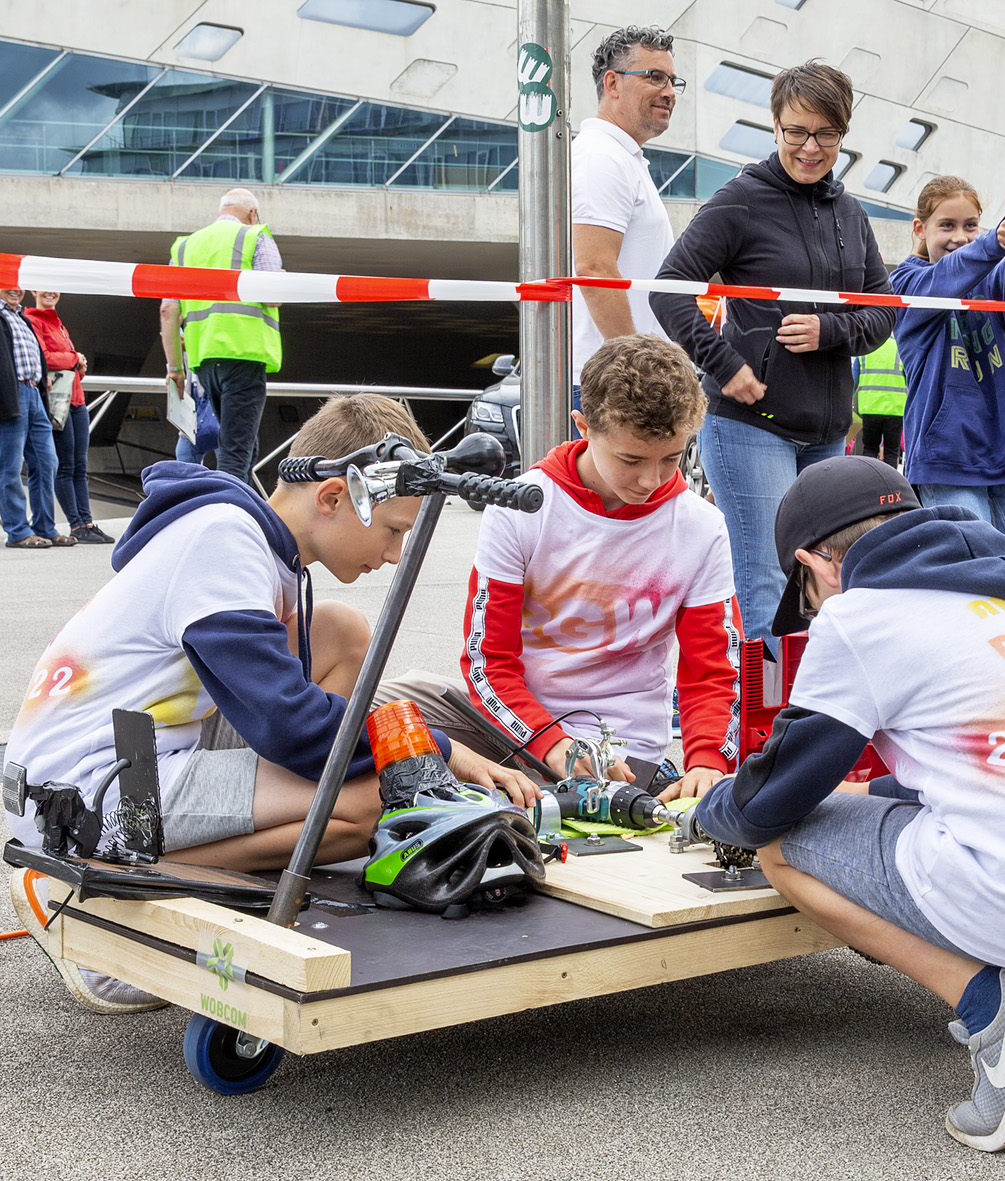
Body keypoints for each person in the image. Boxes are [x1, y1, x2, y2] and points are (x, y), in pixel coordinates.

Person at [693, 456, 1005, 1152]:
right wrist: (864, 792)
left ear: (819, 562)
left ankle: (995, 1010)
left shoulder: (859, 615)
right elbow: (989, 759)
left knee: (782, 849)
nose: (812, 607)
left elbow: (767, 805)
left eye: (805, 589)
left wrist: (707, 808)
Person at [3, 394, 531, 1013]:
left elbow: (289, 716)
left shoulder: (248, 539)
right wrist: (434, 748)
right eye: (392, 529)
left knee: (340, 632)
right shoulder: (224, 543)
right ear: (333, 497)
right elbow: (292, 729)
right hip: (93, 791)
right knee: (367, 807)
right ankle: (103, 892)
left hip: (134, 752)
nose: (393, 554)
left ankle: (235, 854)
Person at [380, 335, 739, 797]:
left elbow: (714, 672)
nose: (651, 481)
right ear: (582, 426)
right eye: (631, 460)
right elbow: (489, 662)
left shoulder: (702, 526)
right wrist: (550, 743)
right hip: (513, 727)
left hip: (622, 753)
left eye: (671, 459)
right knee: (372, 708)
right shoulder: (521, 505)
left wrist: (709, 759)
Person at [651, 60, 895, 647]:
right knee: (767, 581)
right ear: (776, 126)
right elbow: (669, 287)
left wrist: (829, 332)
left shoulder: (851, 212)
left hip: (828, 432)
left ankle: (812, 718)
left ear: (843, 132)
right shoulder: (741, 200)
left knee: (834, 584)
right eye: (796, 132)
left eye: (826, 135)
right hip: (749, 427)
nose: (811, 148)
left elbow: (885, 309)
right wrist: (724, 363)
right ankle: (764, 733)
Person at [890, 176, 1005, 543]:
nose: (960, 237)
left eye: (970, 226)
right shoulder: (904, 283)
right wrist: (989, 245)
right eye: (946, 225)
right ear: (920, 229)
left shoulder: (988, 279)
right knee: (974, 577)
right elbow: (944, 279)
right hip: (948, 460)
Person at [572, 26, 679, 400]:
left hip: (619, 377)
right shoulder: (602, 158)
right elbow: (594, 268)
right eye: (654, 77)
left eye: (672, 80)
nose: (669, 91)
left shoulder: (621, 157)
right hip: (614, 385)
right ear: (612, 83)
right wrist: (638, 371)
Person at [160, 188, 283, 484]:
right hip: (244, 357)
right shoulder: (255, 236)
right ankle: (226, 516)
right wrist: (283, 278)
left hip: (204, 362)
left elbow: (167, 310)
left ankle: (242, 506)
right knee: (235, 452)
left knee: (244, 443)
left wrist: (176, 369)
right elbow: (273, 296)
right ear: (252, 214)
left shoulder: (185, 247)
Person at [0, 286, 70, 549]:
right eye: (7, 282)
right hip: (9, 395)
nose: (15, 289)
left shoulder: (21, 317)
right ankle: (18, 531)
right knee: (10, 465)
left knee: (47, 462)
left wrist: (42, 380)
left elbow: (33, 353)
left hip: (33, 394)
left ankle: (44, 527)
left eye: (19, 284)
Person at [24, 291, 112, 544]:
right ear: (33, 291)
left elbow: (65, 368)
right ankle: (76, 525)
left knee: (80, 466)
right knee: (66, 466)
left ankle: (87, 522)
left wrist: (77, 366)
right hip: (58, 403)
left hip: (77, 401)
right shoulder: (32, 320)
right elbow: (43, 359)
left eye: (55, 287)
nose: (50, 292)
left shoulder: (57, 322)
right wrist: (75, 358)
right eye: (44, 287)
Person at [852, 335, 907, 468]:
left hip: (870, 406)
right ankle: (890, 488)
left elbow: (853, 381)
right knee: (891, 452)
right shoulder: (901, 348)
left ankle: (868, 484)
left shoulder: (866, 349)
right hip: (895, 408)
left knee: (870, 449)